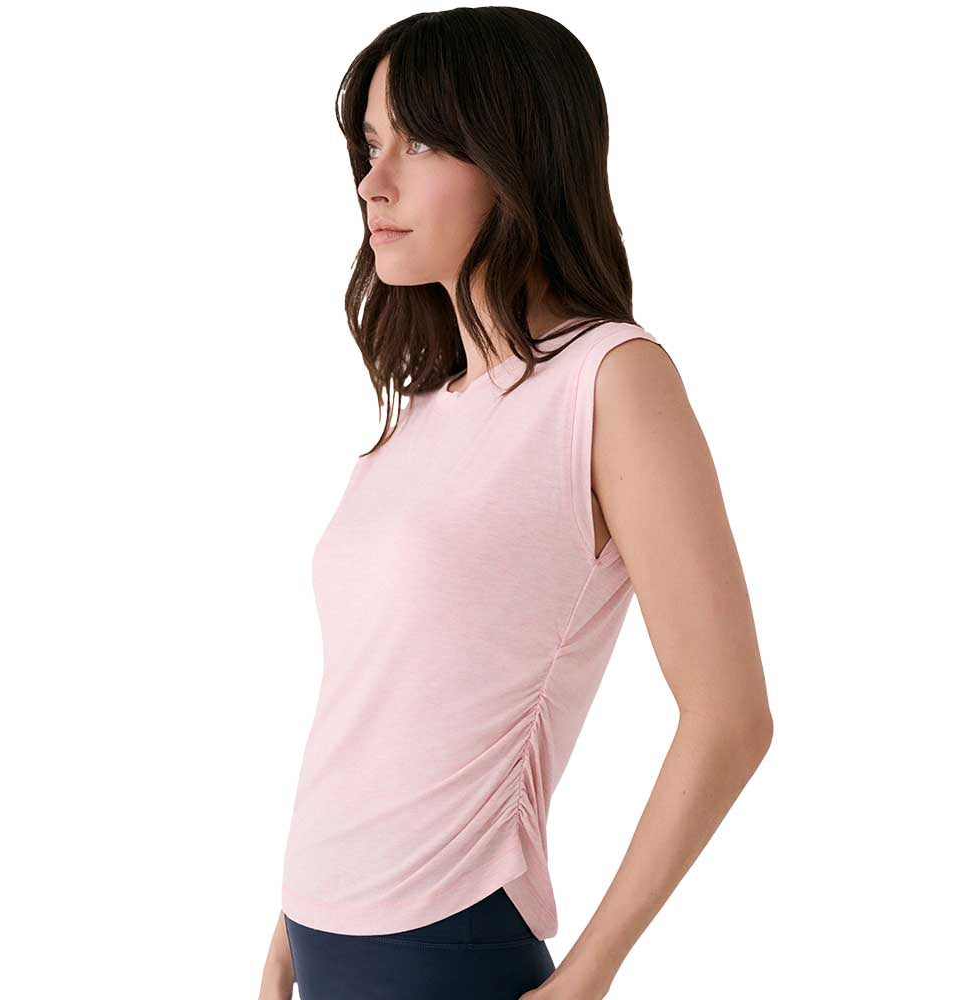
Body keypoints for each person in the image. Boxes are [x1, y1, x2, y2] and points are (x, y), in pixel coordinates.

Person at [259, 10, 773, 1000]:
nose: (373, 182)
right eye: (370, 145)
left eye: (419, 142)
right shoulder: (426, 405)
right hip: (325, 936)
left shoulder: (610, 379)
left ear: (517, 157)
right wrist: (290, 918)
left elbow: (729, 716)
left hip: (441, 945)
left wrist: (589, 973)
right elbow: (378, 702)